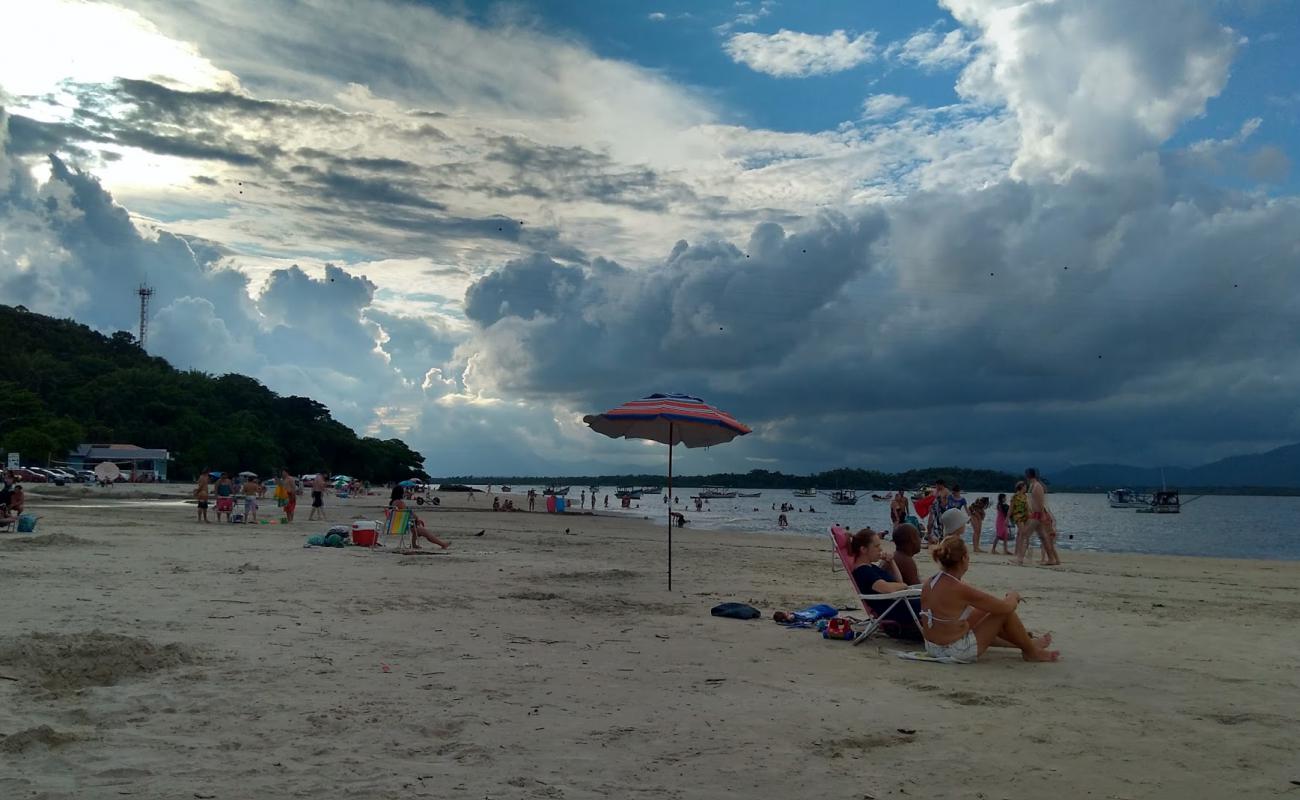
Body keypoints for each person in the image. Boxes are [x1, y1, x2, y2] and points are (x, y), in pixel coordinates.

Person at [920, 534, 1059, 663]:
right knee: (1004, 613)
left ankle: (1028, 645)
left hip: (931, 647)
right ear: (963, 559)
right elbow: (1005, 608)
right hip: (953, 651)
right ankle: (1031, 652)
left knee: (986, 611)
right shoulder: (959, 588)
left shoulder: (929, 582)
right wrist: (1013, 596)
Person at [848, 529, 922, 640]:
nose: (880, 549)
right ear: (863, 549)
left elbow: (898, 582)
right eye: (876, 546)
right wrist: (904, 586)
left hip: (898, 604)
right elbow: (887, 588)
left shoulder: (871, 567)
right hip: (895, 609)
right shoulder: (863, 571)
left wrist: (891, 562)